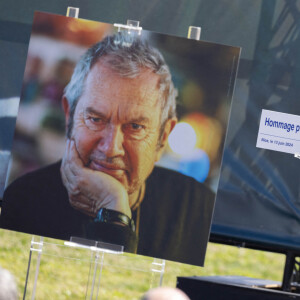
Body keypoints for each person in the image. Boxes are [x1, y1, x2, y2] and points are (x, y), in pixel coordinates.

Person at [0, 33, 215, 266]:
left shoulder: (200, 210)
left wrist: (114, 211)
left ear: (163, 137)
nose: (111, 148)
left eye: (135, 127)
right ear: (69, 116)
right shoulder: (23, 199)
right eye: (95, 119)